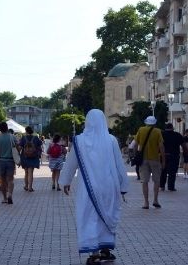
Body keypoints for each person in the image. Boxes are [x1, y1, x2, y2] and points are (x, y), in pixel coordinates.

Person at [59, 109, 129, 264]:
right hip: (109, 186)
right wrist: (123, 185)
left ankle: (95, 252)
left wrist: (65, 181)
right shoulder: (111, 140)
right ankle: (105, 249)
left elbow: (71, 163)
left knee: (90, 217)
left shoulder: (79, 140)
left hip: (88, 188)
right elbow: (119, 165)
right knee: (106, 214)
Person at [135, 116, 165, 209]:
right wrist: (163, 160)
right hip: (155, 159)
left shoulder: (141, 130)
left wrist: (137, 155)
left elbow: (135, 144)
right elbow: (161, 147)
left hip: (143, 159)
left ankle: (146, 202)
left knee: (144, 181)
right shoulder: (157, 131)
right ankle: (155, 200)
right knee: (156, 181)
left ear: (146, 123)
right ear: (154, 123)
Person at [0, 121, 16, 204]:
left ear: (0, 129)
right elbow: (18, 149)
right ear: (7, 128)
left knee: (2, 180)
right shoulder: (12, 137)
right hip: (11, 160)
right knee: (10, 179)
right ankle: (10, 194)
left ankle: (5, 198)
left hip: (1, 161)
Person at [160, 123, 184, 191]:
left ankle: (162, 186)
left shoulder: (161, 134)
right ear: (172, 128)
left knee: (163, 171)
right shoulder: (177, 135)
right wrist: (185, 152)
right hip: (174, 156)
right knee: (172, 172)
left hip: (163, 155)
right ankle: (171, 187)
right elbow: (183, 144)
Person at [19, 126, 42, 192]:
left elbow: (20, 148)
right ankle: (30, 187)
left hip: (24, 156)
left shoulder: (23, 138)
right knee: (31, 172)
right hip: (34, 156)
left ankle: (26, 186)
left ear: (26, 131)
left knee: (26, 172)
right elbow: (39, 147)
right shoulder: (36, 138)